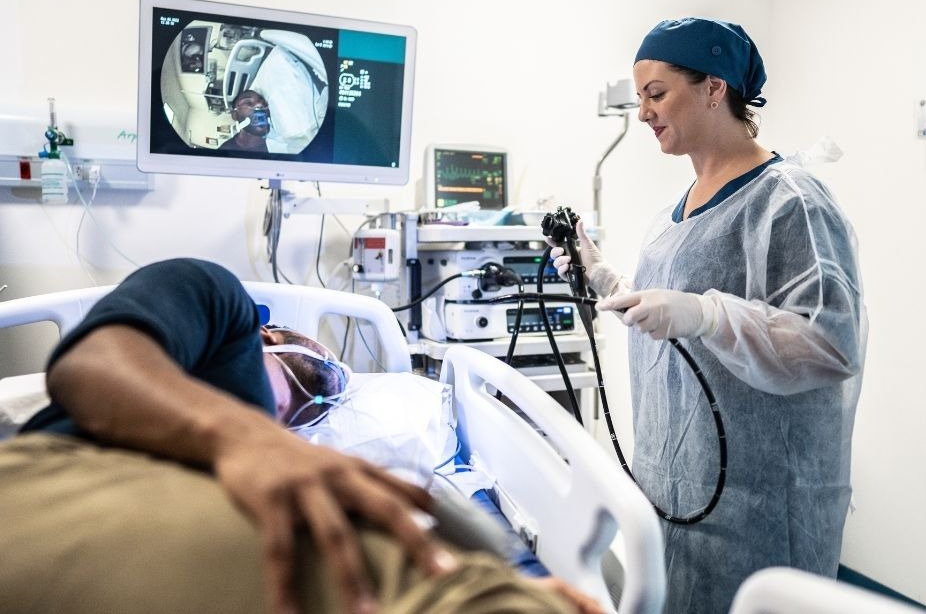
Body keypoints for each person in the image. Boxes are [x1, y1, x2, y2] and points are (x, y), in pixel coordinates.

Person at [0, 258, 602, 614]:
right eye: (296, 382)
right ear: (267, 337)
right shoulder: (211, 294)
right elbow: (90, 367)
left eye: (305, 414)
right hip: (73, 481)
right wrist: (245, 439)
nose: (297, 413)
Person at [550, 17, 866, 613]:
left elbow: (830, 343)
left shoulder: (789, 198)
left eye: (656, 93)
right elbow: (669, 319)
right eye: (639, 96)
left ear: (714, 88)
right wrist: (602, 276)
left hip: (762, 504)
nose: (642, 112)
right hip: (674, 490)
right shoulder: (678, 211)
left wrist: (706, 314)